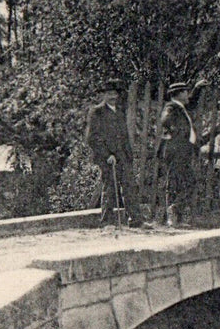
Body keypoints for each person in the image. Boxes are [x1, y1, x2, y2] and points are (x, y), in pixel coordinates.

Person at [84, 79, 146, 227]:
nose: (112, 96)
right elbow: (92, 138)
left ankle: (135, 220)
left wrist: (128, 155)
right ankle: (107, 221)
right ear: (103, 95)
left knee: (130, 186)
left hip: (122, 156)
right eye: (109, 93)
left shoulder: (119, 111)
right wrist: (106, 155)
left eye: (114, 93)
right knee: (110, 187)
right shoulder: (96, 112)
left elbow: (124, 136)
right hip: (107, 158)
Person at [158, 82, 199, 227]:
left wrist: (197, 87)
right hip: (176, 150)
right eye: (186, 92)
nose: (188, 95)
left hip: (183, 150)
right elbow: (165, 120)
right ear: (179, 94)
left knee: (187, 182)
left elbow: (193, 102)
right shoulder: (171, 107)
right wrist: (178, 134)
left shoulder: (181, 107)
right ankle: (172, 216)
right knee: (175, 182)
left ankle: (175, 212)